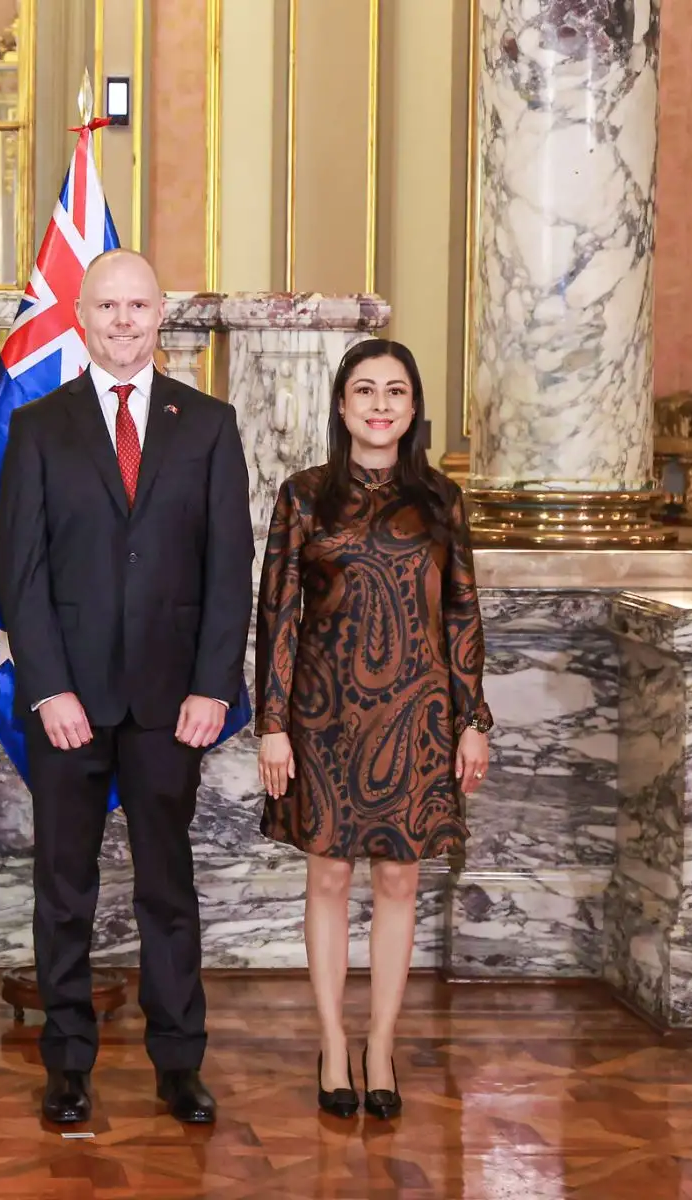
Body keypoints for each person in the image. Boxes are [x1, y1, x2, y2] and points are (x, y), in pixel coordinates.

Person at [0, 249, 253, 1125]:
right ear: (80, 316)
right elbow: (20, 573)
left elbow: (229, 569)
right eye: (106, 307)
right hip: (68, 702)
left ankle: (179, 1062)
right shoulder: (39, 426)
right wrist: (48, 689)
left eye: (137, 306)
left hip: (171, 702)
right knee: (64, 887)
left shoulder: (208, 424)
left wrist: (214, 685)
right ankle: (67, 1063)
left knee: (167, 888)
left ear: (160, 314)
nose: (123, 321)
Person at [253, 338, 491, 1121]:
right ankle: (332, 1042)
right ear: (342, 403)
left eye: (395, 391)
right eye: (365, 390)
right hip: (322, 719)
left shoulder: (442, 501)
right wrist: (272, 725)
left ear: (414, 407)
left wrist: (473, 719)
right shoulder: (304, 496)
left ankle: (381, 1045)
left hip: (419, 716)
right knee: (327, 877)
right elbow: (278, 615)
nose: (380, 404)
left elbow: (462, 613)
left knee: (399, 880)